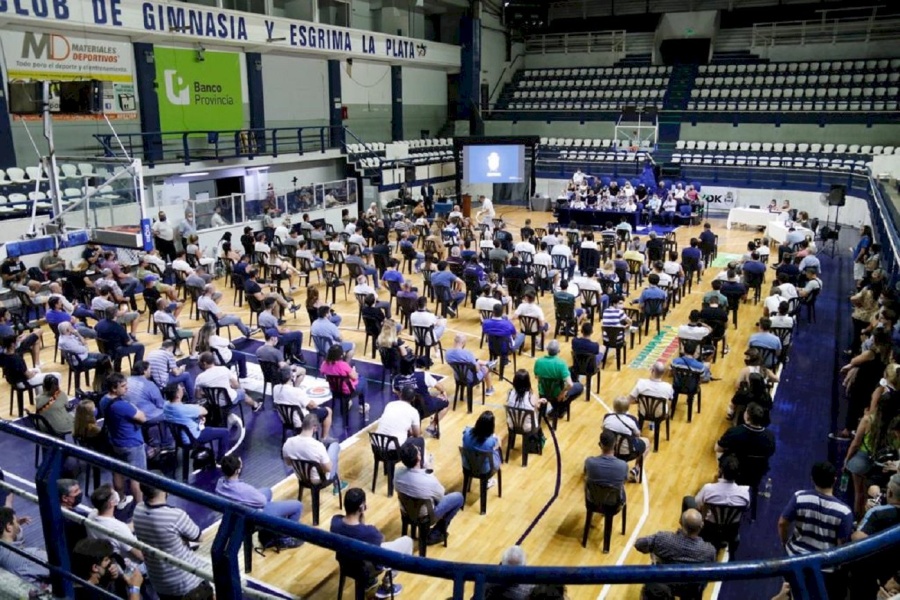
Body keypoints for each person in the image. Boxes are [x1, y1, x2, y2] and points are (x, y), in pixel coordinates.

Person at [778, 462, 853, 598]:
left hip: (795, 559)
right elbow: (841, 544)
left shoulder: (799, 497)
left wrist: (784, 543)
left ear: (812, 478)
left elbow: (782, 523)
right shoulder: (844, 512)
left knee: (792, 594)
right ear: (835, 480)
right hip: (824, 567)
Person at [133, 476, 212, 599]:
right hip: (187, 583)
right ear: (164, 488)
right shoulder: (175, 516)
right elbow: (199, 537)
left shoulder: (137, 510)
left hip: (160, 583)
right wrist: (181, 539)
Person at [330, 487, 410, 598]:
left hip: (345, 564)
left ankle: (369, 582)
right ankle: (386, 585)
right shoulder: (369, 532)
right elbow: (381, 539)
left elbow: (353, 529)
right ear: (362, 507)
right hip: (365, 569)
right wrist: (362, 519)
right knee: (407, 542)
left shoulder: (335, 521)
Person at [216, 455, 303, 549]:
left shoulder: (220, 483)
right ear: (237, 471)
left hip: (236, 512)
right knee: (298, 506)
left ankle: (266, 533)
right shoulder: (244, 489)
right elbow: (263, 502)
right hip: (251, 515)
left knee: (267, 491)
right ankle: (284, 539)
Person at [394, 442, 465, 546]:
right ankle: (436, 533)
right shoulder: (428, 480)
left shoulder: (397, 473)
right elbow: (441, 496)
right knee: (459, 498)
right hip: (426, 517)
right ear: (418, 457)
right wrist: (429, 473)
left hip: (406, 511)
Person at [635, 509, 716, 596]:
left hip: (664, 584)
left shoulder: (663, 539)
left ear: (680, 522)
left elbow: (639, 544)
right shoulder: (709, 551)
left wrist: (653, 552)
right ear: (701, 525)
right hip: (690, 589)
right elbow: (709, 572)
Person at [98, 373, 146, 506]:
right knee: (137, 477)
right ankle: (140, 505)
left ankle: (121, 499)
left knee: (117, 471)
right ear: (114, 388)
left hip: (114, 442)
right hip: (132, 444)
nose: (127, 388)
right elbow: (142, 418)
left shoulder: (103, 400)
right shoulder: (123, 406)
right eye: (123, 386)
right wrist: (134, 407)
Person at [164, 381, 232, 462]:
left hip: (179, 437)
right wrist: (196, 408)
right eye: (180, 388)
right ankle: (221, 460)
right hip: (193, 437)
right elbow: (205, 411)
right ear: (177, 395)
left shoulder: (166, 405)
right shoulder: (185, 409)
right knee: (225, 432)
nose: (182, 388)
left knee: (202, 421)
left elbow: (183, 414)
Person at [282, 413, 346, 495]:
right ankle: (338, 485)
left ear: (302, 425)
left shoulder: (288, 443)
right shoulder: (317, 445)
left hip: (301, 477)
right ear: (315, 428)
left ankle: (338, 483)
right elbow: (328, 469)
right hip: (319, 479)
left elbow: (288, 463)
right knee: (335, 445)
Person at [86, 484, 144, 565]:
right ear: (111, 503)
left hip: (105, 557)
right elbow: (141, 556)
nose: (117, 493)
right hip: (127, 565)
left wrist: (136, 523)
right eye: (114, 493)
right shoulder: (119, 528)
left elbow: (119, 530)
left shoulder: (91, 515)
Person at [391, 359, 449, 438]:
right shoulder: (423, 375)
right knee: (446, 403)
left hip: (407, 410)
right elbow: (440, 387)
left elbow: (398, 394)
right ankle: (432, 426)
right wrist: (443, 392)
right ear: (413, 367)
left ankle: (410, 429)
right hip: (426, 408)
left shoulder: (396, 380)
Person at [71, 537, 144, 600]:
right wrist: (135, 588)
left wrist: (111, 577)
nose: (111, 563)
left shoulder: (82, 586)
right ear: (95, 568)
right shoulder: (92, 595)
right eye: (106, 560)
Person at [683, 454, 750, 523]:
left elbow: (698, 504)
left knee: (688, 500)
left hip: (709, 525)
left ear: (720, 471)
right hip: (732, 528)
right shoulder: (746, 492)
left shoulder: (708, 489)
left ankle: (685, 528)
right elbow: (747, 507)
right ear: (738, 473)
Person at [273, 366, 333, 439]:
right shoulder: (296, 391)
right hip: (301, 421)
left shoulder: (275, 388)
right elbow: (312, 405)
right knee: (328, 411)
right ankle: (324, 438)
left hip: (286, 420)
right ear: (291, 377)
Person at [602, 396, 650, 482]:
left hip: (610, 449)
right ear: (627, 408)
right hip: (627, 452)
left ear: (614, 407)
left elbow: (603, 429)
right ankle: (636, 469)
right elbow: (638, 434)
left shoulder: (607, 417)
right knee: (646, 442)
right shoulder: (632, 420)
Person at [194, 351, 261, 412]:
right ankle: (255, 405)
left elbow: (198, 396)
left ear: (204, 363)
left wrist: (208, 393)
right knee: (242, 392)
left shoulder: (199, 378)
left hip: (212, 403)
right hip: (229, 400)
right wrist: (230, 386)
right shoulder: (223, 369)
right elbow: (236, 385)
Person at [0, 506, 50, 585]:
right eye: (16, 522)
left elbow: (15, 540)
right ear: (8, 526)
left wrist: (15, 526)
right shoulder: (32, 555)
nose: (18, 525)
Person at [320, 344, 368, 416]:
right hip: (348, 392)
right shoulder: (343, 365)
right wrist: (353, 371)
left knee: (350, 380)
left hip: (334, 391)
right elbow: (354, 377)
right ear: (340, 355)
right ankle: (361, 405)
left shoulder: (324, 364)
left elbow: (323, 374)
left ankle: (347, 402)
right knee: (363, 380)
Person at [534, 340, 583, 408]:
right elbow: (570, 384)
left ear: (547, 349)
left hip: (543, 393)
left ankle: (549, 407)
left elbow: (537, 377)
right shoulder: (561, 364)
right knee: (579, 387)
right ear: (558, 351)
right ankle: (563, 407)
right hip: (557, 395)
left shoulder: (539, 362)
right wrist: (562, 393)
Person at [585, 430, 628, 503]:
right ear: (615, 444)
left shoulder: (589, 462)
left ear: (600, 444)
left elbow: (587, 477)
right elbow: (624, 481)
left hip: (593, 502)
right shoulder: (623, 465)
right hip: (614, 504)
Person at [462, 411, 502, 485]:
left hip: (467, 466)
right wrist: (497, 438)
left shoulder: (466, 433)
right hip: (484, 470)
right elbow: (497, 445)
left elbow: (466, 429)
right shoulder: (491, 441)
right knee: (495, 450)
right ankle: (488, 481)